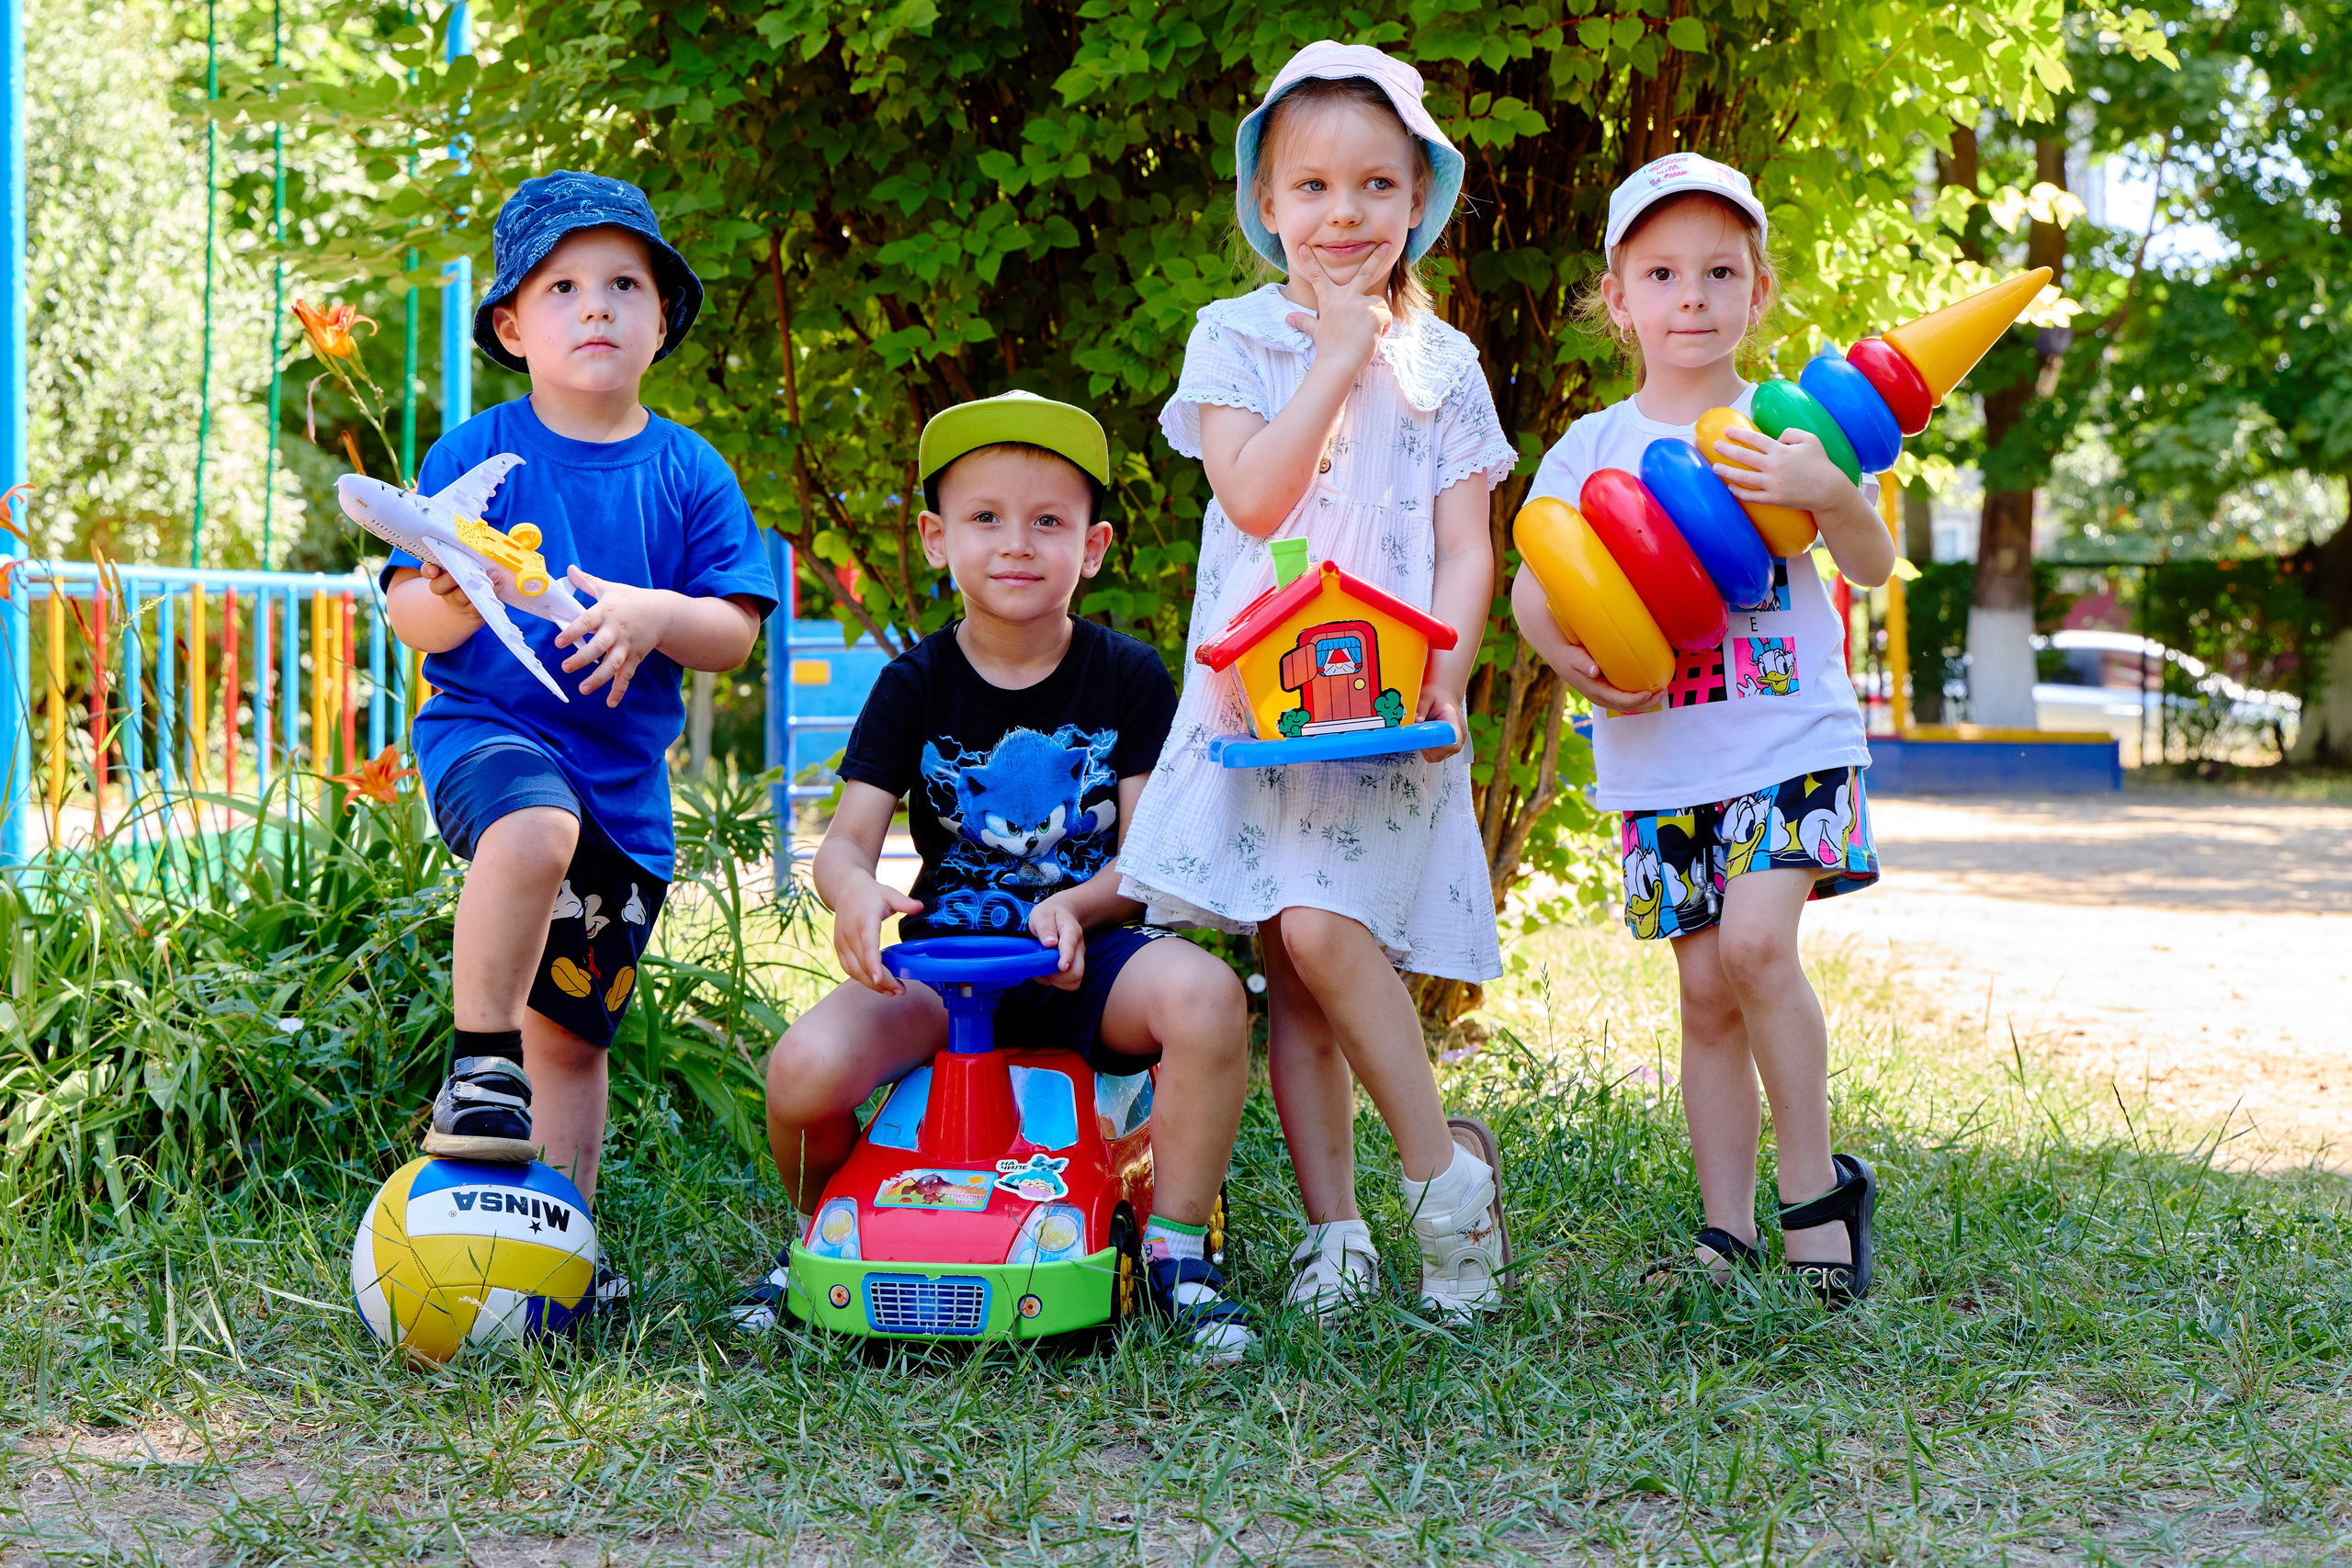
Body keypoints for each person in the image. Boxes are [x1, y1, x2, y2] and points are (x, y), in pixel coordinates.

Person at [1114, 41, 1518, 1323]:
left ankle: (1443, 1180)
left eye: (1375, 187)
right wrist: (1338, 352)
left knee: (1325, 932)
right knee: (1288, 956)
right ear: (1267, 203)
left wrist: (1446, 670)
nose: (1343, 216)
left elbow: (1468, 544)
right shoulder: (1232, 338)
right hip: (1261, 711)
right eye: (1312, 189)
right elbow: (1254, 491)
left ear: (1419, 199)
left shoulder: (1446, 365)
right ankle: (1336, 1232)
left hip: (1387, 710)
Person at [735, 391, 1257, 1364]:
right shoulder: (914, 684)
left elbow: (1148, 861)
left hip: (1087, 966)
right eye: (984, 518)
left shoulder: (1130, 677)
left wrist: (1078, 904)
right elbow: (844, 842)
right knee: (801, 1070)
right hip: (945, 977)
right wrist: (854, 894)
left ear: (1092, 547)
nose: (1016, 544)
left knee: (1208, 997)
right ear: (936, 539)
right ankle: (818, 1234)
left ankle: (1179, 1256)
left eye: (1047, 521)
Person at [382, 172, 777, 1305]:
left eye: (622, 284)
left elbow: (731, 632)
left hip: (627, 800)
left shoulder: (689, 471)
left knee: (574, 1041)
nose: (594, 305)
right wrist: (450, 599)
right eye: (561, 286)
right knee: (531, 826)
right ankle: (476, 1067)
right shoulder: (477, 450)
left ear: (662, 321)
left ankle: (559, 1247)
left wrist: (653, 615)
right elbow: (407, 604)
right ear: (514, 326)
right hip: (488, 730)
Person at [1510, 152, 1890, 1301]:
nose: (1692, 298)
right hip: (1661, 759)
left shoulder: (1784, 433)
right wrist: (1565, 657)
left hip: (1791, 745)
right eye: (1662, 273)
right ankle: (1724, 1232)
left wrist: (1827, 493)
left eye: (1719, 273)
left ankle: (1815, 1196)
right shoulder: (1590, 447)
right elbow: (1538, 572)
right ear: (1616, 298)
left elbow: (1869, 564)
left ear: (1756, 292)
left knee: (1758, 949)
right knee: (1703, 992)